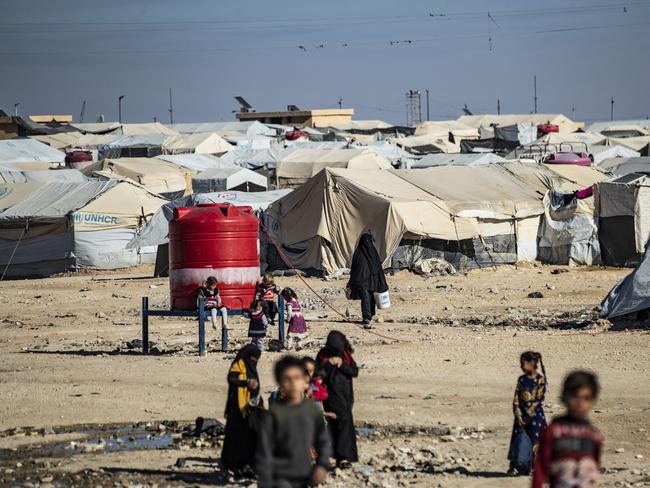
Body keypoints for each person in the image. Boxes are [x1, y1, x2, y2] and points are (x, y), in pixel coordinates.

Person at [256, 355, 332, 488]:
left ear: (305, 380)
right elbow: (264, 450)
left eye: (297, 378)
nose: (292, 383)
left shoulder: (311, 409)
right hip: (279, 475)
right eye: (287, 379)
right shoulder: (274, 414)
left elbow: (323, 440)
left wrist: (322, 465)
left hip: (304, 473)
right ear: (280, 383)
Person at [532, 371, 603, 488]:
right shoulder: (553, 432)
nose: (580, 403)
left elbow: (594, 469)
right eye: (575, 396)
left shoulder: (594, 436)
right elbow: (540, 470)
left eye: (586, 398)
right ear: (564, 397)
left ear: (593, 401)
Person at [316, 331, 359, 466]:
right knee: (340, 423)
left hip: (346, 395)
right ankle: (343, 457)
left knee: (345, 424)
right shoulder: (323, 354)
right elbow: (317, 374)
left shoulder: (345, 354)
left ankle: (343, 456)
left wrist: (342, 365)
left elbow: (354, 372)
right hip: (330, 395)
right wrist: (329, 363)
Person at [222, 344, 264, 472]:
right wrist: (245, 383)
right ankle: (231, 461)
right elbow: (231, 379)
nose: (254, 362)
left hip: (251, 407)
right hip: (236, 407)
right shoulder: (239, 365)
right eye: (252, 358)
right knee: (235, 434)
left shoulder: (252, 368)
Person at [508, 351, 547, 476]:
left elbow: (539, 399)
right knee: (518, 439)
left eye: (523, 364)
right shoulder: (522, 379)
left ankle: (535, 467)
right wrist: (518, 414)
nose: (521, 366)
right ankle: (515, 465)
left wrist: (529, 414)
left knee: (536, 440)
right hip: (521, 416)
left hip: (536, 417)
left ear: (532, 364)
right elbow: (516, 398)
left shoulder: (540, 380)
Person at [346, 232, 388, 328]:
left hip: (368, 280)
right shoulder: (370, 252)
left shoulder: (360, 252)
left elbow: (377, 267)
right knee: (366, 297)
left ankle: (370, 315)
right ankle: (366, 317)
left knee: (370, 297)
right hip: (365, 281)